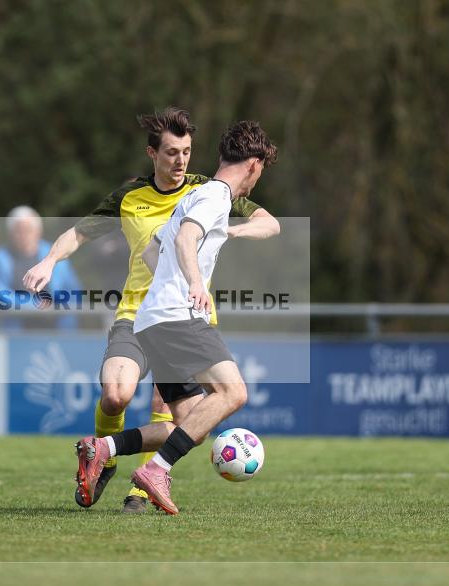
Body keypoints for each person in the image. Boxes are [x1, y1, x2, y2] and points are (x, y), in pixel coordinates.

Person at [22, 108, 280, 512]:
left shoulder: (200, 190)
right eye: (172, 152)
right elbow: (172, 241)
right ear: (152, 154)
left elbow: (162, 244)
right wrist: (192, 281)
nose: (181, 161)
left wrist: (226, 232)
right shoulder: (179, 195)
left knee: (188, 421)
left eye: (187, 152)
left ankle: (111, 457)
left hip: (163, 313)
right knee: (139, 395)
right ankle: (149, 470)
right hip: (166, 313)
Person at [0, 206, 80, 330]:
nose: (23, 235)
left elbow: (73, 291)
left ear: (38, 231)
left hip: (58, 328)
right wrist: (37, 306)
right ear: (10, 234)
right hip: (17, 329)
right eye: (18, 231)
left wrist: (62, 313)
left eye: (28, 230)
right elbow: (0, 294)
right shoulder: (0, 257)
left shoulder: (56, 254)